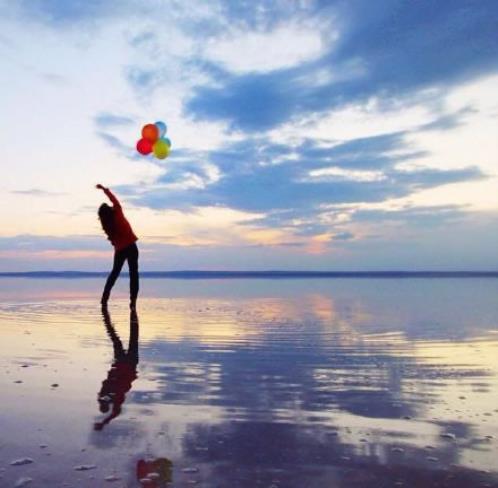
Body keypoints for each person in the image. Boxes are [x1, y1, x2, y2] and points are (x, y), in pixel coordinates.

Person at [94, 307, 139, 431]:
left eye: (103, 402)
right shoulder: (116, 398)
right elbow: (116, 412)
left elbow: (106, 382)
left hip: (121, 364)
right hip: (129, 364)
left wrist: (104, 422)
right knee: (132, 338)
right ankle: (132, 316)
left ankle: (110, 321)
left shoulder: (104, 394)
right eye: (105, 403)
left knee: (116, 340)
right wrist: (104, 422)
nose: (104, 400)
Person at [96, 184, 139, 308]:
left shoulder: (107, 225)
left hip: (120, 249)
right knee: (133, 274)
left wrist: (117, 244)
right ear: (109, 209)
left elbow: (112, 240)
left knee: (114, 273)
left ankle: (104, 299)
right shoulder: (118, 212)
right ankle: (133, 301)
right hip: (131, 246)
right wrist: (105, 190)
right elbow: (114, 199)